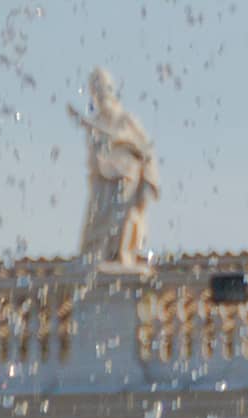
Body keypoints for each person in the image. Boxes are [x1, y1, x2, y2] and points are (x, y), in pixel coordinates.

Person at [74, 68, 158, 269]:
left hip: (126, 178)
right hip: (104, 181)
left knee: (122, 220)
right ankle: (99, 254)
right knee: (98, 221)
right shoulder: (96, 123)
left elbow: (145, 149)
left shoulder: (125, 119)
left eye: (102, 88)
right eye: (96, 89)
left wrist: (148, 180)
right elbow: (95, 156)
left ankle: (119, 256)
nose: (100, 94)